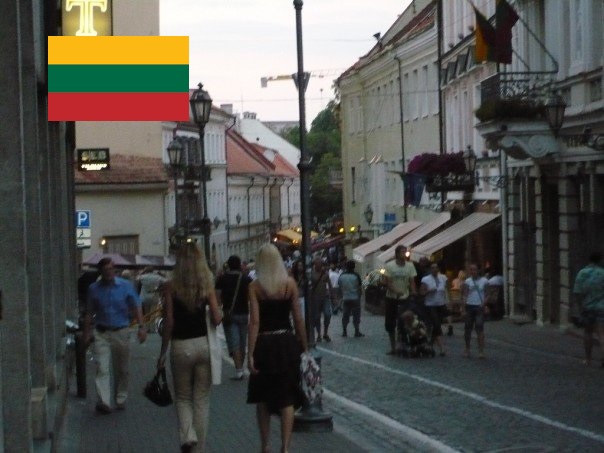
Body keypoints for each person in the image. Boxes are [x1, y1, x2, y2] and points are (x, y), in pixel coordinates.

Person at [157, 241, 222, 453]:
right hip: (203, 345)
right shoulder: (206, 285)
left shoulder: (170, 286)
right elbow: (217, 318)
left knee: (183, 397)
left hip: (180, 346)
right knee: (201, 399)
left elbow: (169, 322)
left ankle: (187, 436)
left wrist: (162, 352)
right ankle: (199, 448)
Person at [247, 244, 308, 453]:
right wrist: (304, 345)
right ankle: (285, 446)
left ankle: (265, 445)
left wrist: (250, 353)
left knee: (263, 397)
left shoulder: (255, 287)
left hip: (265, 344)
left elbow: (254, 322)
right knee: (286, 397)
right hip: (286, 343)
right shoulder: (289, 284)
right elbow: (298, 318)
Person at [83, 258, 147, 414]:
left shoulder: (125, 286)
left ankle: (120, 397)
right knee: (102, 367)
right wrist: (86, 333)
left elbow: (136, 305)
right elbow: (89, 312)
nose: (109, 273)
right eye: (105, 270)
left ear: (115, 270)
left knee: (122, 369)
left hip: (121, 331)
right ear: (100, 272)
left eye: (111, 269)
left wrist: (141, 326)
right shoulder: (94, 289)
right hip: (101, 332)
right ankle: (104, 401)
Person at [215, 255, 252, 380]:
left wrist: (219, 308)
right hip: (244, 313)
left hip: (229, 314)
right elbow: (250, 297)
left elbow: (217, 297)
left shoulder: (222, 279)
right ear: (239, 265)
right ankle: (241, 368)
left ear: (229, 265)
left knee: (234, 342)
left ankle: (239, 370)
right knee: (242, 342)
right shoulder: (247, 279)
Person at [382, 245, 417, 355]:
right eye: (402, 252)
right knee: (390, 323)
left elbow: (412, 281)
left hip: (404, 298)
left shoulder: (410, 266)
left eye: (405, 252)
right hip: (391, 298)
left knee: (404, 321)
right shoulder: (389, 266)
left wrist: (414, 291)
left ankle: (404, 344)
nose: (405, 254)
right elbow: (387, 282)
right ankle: (393, 347)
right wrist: (396, 291)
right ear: (397, 254)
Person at [572, 252, 604, 367]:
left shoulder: (582, 273)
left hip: (588, 307)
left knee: (588, 332)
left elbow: (577, 292)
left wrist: (580, 307)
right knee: (602, 334)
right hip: (601, 307)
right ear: (600, 260)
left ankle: (588, 359)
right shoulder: (602, 273)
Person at [420, 262, 448, 356]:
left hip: (441, 304)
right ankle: (442, 347)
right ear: (430, 269)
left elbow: (446, 291)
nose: (434, 269)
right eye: (432, 268)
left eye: (436, 267)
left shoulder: (443, 278)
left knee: (437, 325)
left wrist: (448, 302)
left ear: (438, 269)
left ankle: (430, 344)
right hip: (430, 305)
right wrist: (429, 291)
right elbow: (422, 292)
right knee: (436, 325)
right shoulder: (426, 279)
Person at [462, 264, 489, 358]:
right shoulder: (467, 281)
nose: (473, 271)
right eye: (471, 270)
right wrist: (463, 308)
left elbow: (487, 294)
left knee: (479, 328)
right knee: (467, 329)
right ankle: (467, 349)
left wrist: (483, 304)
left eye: (475, 269)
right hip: (469, 306)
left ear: (478, 270)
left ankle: (481, 351)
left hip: (479, 307)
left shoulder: (484, 281)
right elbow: (465, 294)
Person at [310, 257, 334, 342]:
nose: (320, 266)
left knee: (328, 314)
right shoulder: (311, 274)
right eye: (318, 264)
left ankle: (325, 333)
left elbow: (329, 284)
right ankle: (319, 334)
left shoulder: (325, 273)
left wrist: (332, 295)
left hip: (325, 297)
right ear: (315, 265)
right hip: (315, 298)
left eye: (321, 264)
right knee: (317, 317)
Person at [338, 260, 364, 337]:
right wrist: (359, 296)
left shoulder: (342, 275)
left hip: (346, 298)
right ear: (354, 267)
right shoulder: (356, 276)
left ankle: (344, 331)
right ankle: (356, 331)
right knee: (356, 316)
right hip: (355, 298)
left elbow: (340, 285)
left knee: (345, 315)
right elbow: (359, 288)